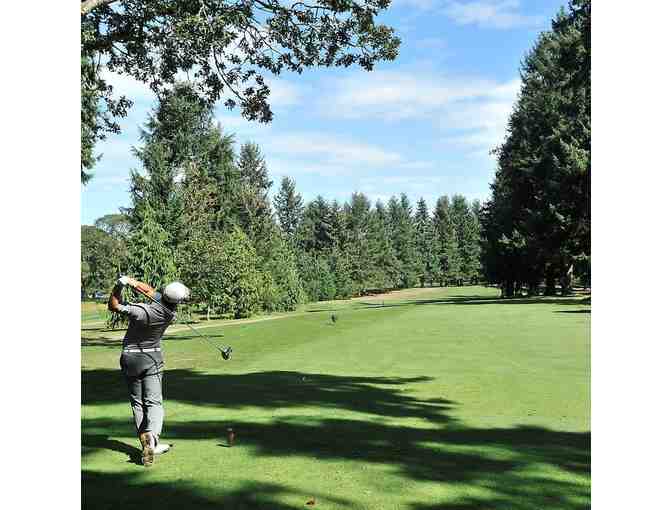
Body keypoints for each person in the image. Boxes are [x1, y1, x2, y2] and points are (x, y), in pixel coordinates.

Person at [108, 276, 190, 467]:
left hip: (130, 358)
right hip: (153, 358)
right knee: (154, 402)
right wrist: (133, 282)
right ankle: (152, 439)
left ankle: (147, 441)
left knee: (138, 402)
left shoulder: (141, 311)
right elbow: (149, 291)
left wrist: (118, 287)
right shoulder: (170, 312)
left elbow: (114, 306)